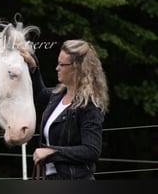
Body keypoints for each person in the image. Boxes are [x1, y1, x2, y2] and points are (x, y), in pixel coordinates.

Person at [19, 39, 109, 180]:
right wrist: (33, 65)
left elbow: (91, 150)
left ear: (78, 68)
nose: (57, 68)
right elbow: (41, 94)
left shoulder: (89, 106)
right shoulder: (58, 95)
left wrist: (52, 152)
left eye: (62, 64)